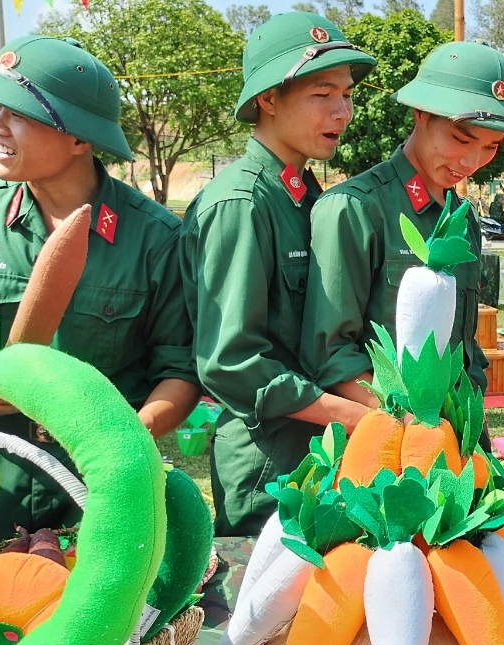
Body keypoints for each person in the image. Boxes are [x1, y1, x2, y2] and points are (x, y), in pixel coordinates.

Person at [0, 36, 198, 542]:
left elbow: (179, 368)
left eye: (18, 113)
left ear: (80, 139)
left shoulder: (155, 238)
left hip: (106, 486)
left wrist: (129, 435)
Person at [179, 13, 376, 535]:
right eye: (322, 94)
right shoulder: (241, 204)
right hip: (270, 466)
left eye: (347, 94)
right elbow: (232, 361)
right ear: (268, 98)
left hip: (320, 453)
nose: (342, 111)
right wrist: (356, 417)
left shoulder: (305, 197)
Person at [302, 41, 504, 403]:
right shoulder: (356, 208)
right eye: (461, 138)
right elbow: (330, 355)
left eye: (491, 146)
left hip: (456, 429)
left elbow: (465, 349)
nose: (472, 161)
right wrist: (409, 421)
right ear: (420, 114)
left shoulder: (462, 219)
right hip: (384, 428)